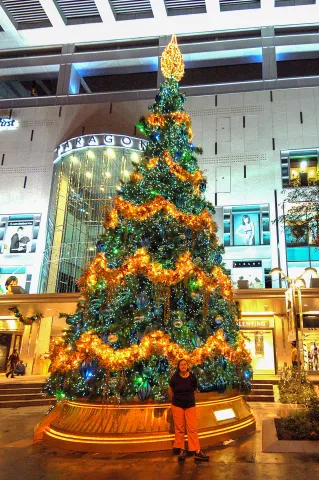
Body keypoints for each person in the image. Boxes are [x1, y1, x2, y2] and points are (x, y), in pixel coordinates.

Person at [168, 359, 209, 462]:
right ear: (178, 367)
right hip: (177, 405)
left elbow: (195, 389)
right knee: (180, 428)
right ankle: (182, 450)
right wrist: (175, 399)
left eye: (185, 364)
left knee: (192, 428)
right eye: (181, 365)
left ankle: (197, 450)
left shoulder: (192, 376)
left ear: (187, 366)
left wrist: (190, 397)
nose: (183, 366)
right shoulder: (175, 377)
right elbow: (170, 389)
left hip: (190, 405)